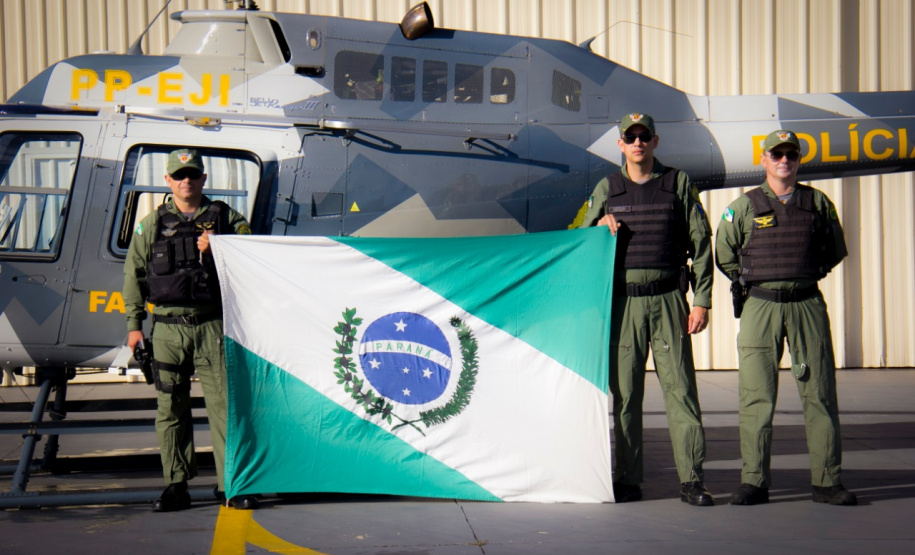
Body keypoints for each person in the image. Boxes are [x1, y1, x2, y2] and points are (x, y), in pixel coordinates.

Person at [715, 130, 856, 506]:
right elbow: (725, 255)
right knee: (756, 396)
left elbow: (833, 250)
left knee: (820, 393)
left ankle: (827, 481)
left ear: (798, 161)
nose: (783, 161)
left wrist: (802, 275)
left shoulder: (818, 203)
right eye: (776, 154)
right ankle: (754, 481)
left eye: (790, 155)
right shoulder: (743, 207)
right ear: (763, 160)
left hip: (807, 303)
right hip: (761, 306)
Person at [580, 112, 714, 506]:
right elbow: (579, 243)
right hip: (624, 304)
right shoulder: (608, 187)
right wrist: (598, 225)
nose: (637, 142)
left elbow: (701, 243)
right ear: (620, 145)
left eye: (644, 136)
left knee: (682, 392)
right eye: (630, 137)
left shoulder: (678, 183)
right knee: (625, 397)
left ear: (655, 141)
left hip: (668, 301)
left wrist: (702, 299)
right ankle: (628, 479)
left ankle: (692, 480)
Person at [123, 148, 256, 511]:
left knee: (225, 407)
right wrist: (134, 326)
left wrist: (220, 248)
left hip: (212, 326)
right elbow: (133, 274)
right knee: (170, 407)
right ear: (168, 180)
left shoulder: (228, 219)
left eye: (192, 174)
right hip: (167, 330)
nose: (186, 181)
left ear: (203, 180)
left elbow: (253, 258)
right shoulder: (151, 224)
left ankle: (233, 484)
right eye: (179, 175)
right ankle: (176, 485)